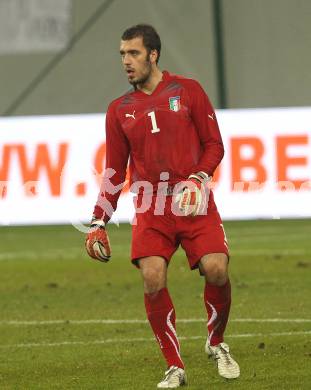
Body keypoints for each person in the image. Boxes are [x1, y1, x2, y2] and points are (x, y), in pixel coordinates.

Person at [85, 24, 240, 388]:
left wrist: (198, 177)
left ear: (153, 55)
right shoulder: (119, 110)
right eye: (122, 54)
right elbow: (114, 169)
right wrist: (98, 221)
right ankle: (175, 366)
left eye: (133, 53)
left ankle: (216, 343)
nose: (126, 61)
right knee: (152, 277)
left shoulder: (188, 91)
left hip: (194, 203)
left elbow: (214, 144)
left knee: (217, 269)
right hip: (152, 207)